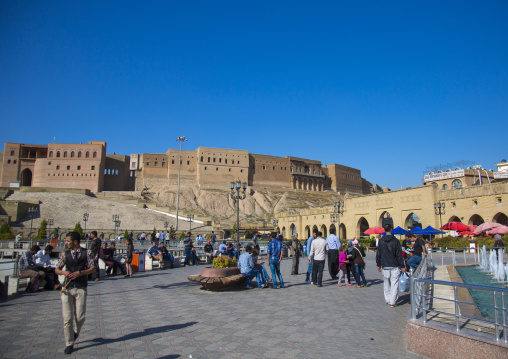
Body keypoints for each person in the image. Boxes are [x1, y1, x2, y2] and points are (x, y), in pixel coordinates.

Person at [55, 232, 95, 354]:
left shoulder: (87, 253)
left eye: (67, 241)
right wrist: (64, 273)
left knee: (80, 317)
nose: (65, 243)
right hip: (67, 288)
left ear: (75, 242)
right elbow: (57, 269)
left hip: (81, 287)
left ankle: (76, 332)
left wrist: (81, 273)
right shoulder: (64, 254)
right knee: (67, 318)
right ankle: (69, 343)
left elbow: (93, 268)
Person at [376, 218, 406, 307]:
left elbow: (378, 253)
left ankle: (388, 299)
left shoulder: (381, 241)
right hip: (394, 265)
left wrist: (378, 264)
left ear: (384, 230)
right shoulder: (395, 241)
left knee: (386, 283)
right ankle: (393, 301)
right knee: (394, 283)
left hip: (385, 265)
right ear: (391, 230)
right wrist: (402, 265)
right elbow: (399, 255)